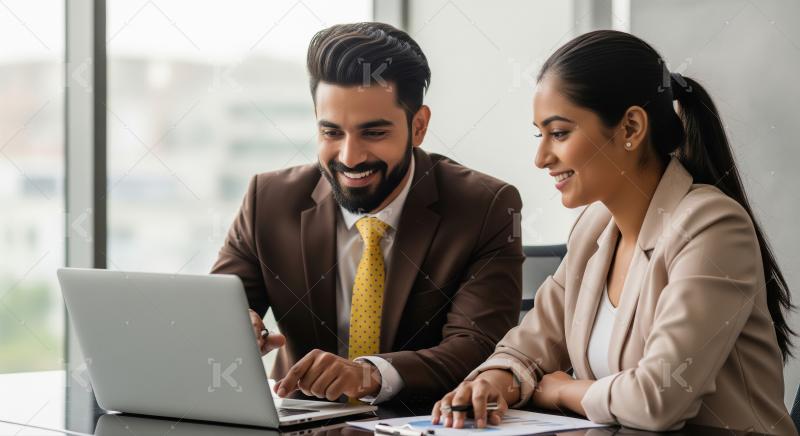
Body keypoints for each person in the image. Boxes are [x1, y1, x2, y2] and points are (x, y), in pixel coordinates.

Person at [432, 30, 796, 434]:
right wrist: (497, 379)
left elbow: (658, 397)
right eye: (540, 134)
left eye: (559, 133)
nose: (541, 158)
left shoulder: (713, 228)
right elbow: (530, 344)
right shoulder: (594, 228)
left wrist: (562, 392)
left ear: (630, 128)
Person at [211, 22, 523, 405]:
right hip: (300, 423)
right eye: (331, 133)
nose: (349, 157)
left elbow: (477, 347)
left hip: (422, 423)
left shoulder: (485, 207)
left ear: (419, 126)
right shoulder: (269, 200)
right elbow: (217, 305)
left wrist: (369, 374)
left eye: (373, 133)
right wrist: (236, 327)